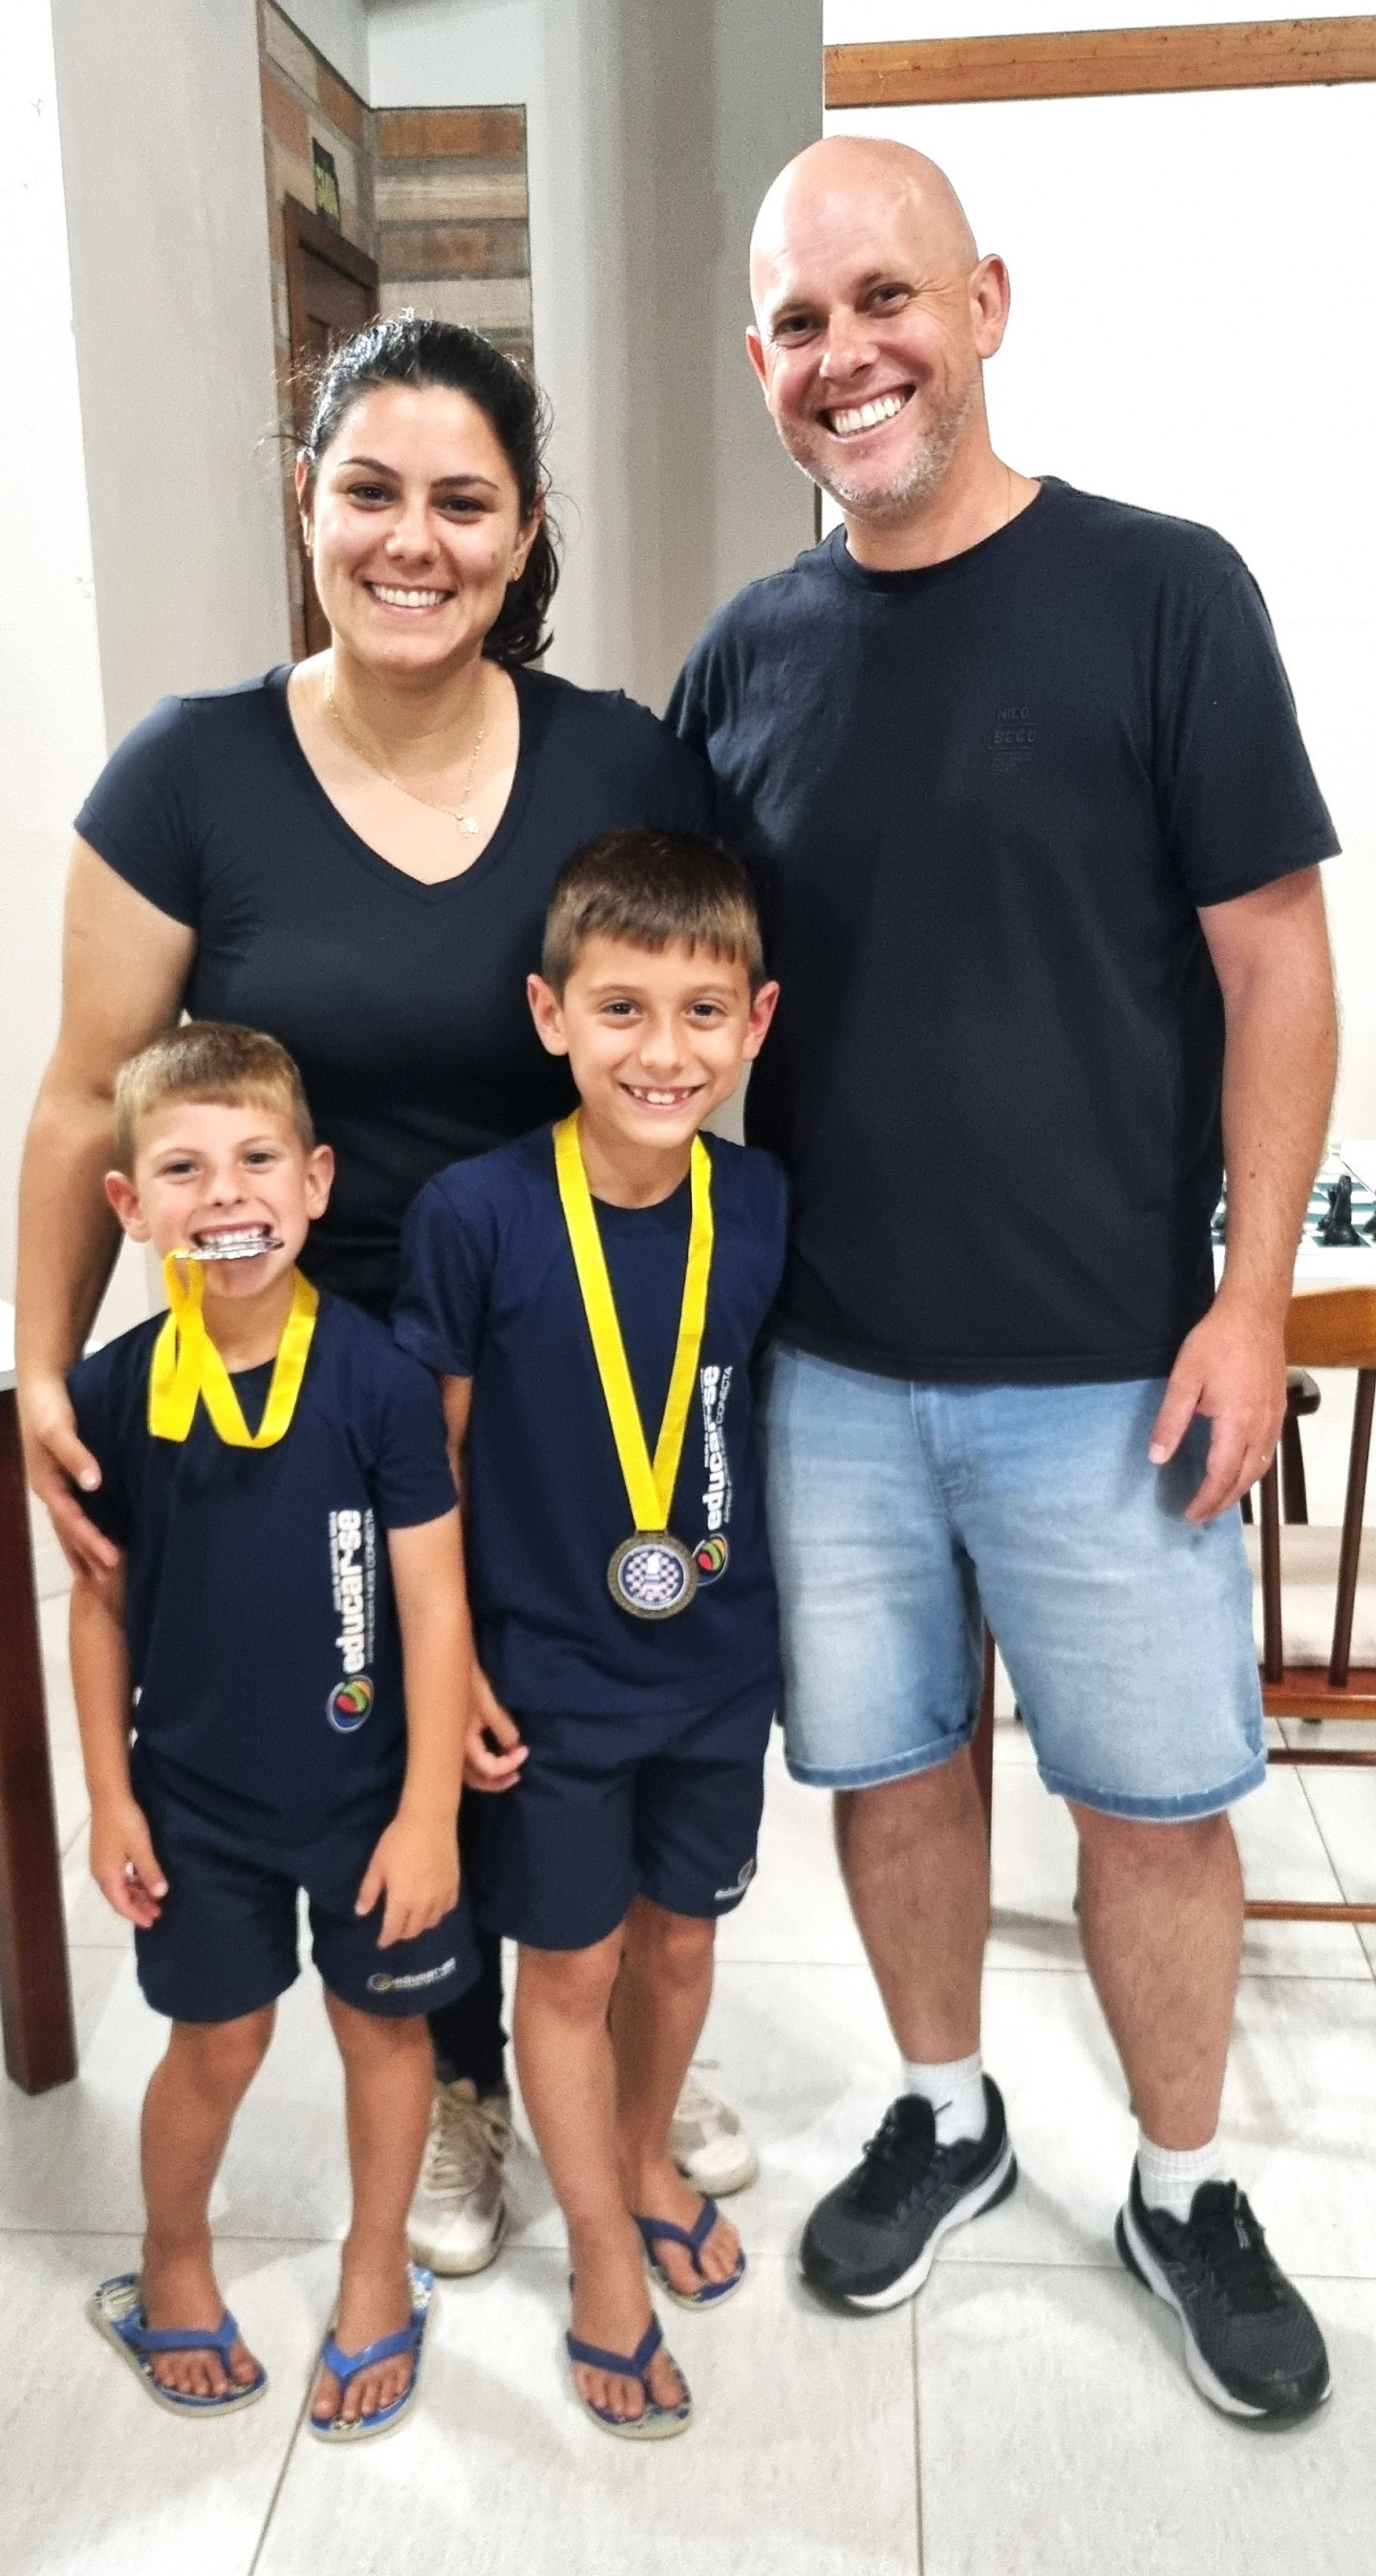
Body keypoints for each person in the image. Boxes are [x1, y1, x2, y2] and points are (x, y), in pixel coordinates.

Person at [668, 136, 1339, 2424]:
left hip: (1110, 1367)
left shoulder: (1164, 592)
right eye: (798, 322)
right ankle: (945, 2111)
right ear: (758, 363)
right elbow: (665, 995)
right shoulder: (743, 661)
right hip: (830, 1370)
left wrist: (1250, 1298)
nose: (845, 354)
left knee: (1153, 1803)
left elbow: (1278, 965)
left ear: (985, 302)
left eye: (887, 297)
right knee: (891, 1771)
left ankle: (1182, 2186)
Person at [16, 313, 755, 2277]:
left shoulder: (620, 759)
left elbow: (683, 1009)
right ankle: (459, 2075)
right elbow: (84, 1094)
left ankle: (603, 2045)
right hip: (305, 1365)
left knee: (563, 1704)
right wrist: (40, 1363)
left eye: (462, 502)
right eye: (369, 492)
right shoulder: (187, 774)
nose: (411, 540)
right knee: (374, 1723)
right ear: (306, 502)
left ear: (525, 532)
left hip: (565, 1349)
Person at [393, 831, 784, 2435]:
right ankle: (605, 2258)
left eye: (703, 1012)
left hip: (717, 1666)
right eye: (621, 1009)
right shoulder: (474, 1214)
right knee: (571, 1966)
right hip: (547, 1678)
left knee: (680, 1942)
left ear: (756, 1023)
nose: (663, 1052)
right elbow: (433, 1464)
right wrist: (457, 1669)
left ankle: (636, 2154)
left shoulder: (761, 1202)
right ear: (550, 1014)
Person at [69, 1024, 472, 2437]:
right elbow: (99, 1607)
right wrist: (111, 1798)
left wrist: (430, 1811)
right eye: (182, 1168)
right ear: (130, 1204)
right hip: (194, 1806)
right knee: (217, 2046)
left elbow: (433, 1604)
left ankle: (376, 2267)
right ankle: (170, 2256)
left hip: (370, 1802)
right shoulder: (113, 1392)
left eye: (255, 1159)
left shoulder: (378, 1378)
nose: (225, 1192)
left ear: (315, 1182)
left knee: (386, 2037)